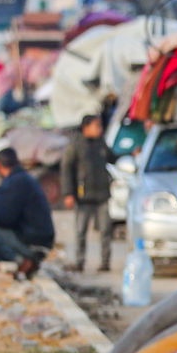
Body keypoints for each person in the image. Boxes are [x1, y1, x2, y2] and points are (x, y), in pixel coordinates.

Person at [0, 148, 54, 277]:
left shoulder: (15, 183)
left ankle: (21, 260)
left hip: (33, 241)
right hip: (43, 239)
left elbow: (4, 218)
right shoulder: (25, 179)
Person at [59, 113, 116, 272]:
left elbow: (113, 158)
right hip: (83, 196)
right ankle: (79, 261)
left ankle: (105, 262)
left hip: (102, 195)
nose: (99, 129)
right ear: (86, 127)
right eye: (96, 126)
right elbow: (66, 170)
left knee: (105, 231)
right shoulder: (75, 145)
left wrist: (131, 153)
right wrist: (68, 193)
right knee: (81, 231)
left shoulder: (100, 143)